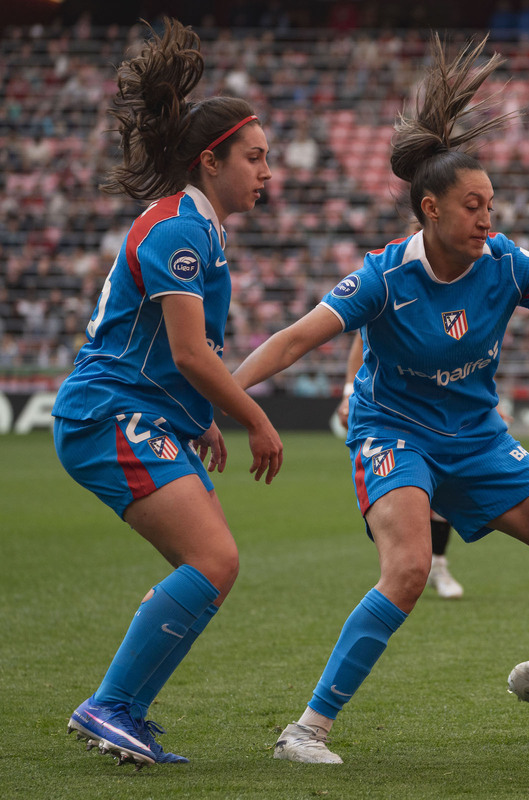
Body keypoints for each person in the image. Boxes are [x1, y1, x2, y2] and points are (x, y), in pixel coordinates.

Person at [229, 36, 529, 765]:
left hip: (477, 439)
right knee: (409, 570)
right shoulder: (383, 276)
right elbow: (291, 342)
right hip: (395, 435)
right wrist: (219, 400)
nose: (486, 219)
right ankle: (306, 730)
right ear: (430, 208)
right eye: (473, 207)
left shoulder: (506, 261)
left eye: (491, 206)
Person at [50, 19, 282, 768]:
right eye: (255, 158)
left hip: (134, 412)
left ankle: (124, 710)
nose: (267, 172)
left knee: (213, 564)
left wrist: (197, 419)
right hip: (107, 414)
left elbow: (181, 352)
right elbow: (187, 351)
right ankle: (110, 706)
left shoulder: (199, 229)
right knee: (212, 560)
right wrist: (252, 418)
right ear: (210, 161)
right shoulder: (180, 230)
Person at [336, 330, 463, 598]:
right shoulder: (391, 304)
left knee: (447, 488)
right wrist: (349, 391)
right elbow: (362, 338)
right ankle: (410, 567)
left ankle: (436, 564)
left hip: (444, 410)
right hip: (394, 415)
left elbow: (471, 350)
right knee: (408, 491)